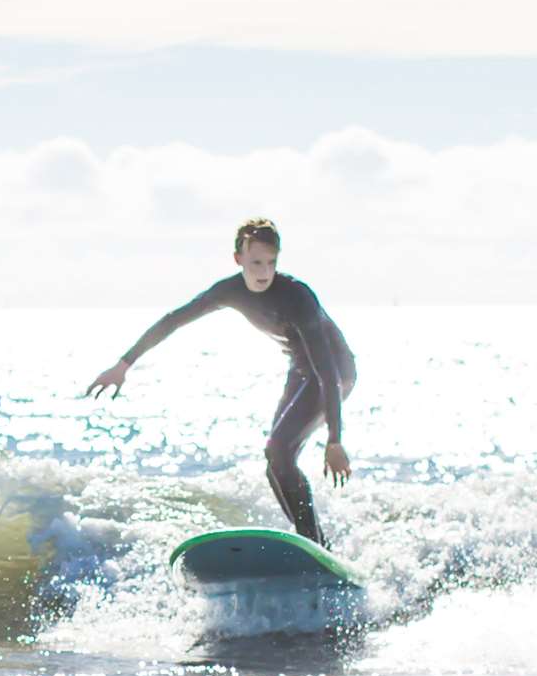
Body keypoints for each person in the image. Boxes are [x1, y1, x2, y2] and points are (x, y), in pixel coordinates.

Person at [87, 218, 355, 546]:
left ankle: (314, 543)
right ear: (238, 259)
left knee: (279, 450)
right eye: (256, 262)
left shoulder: (297, 297)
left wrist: (334, 439)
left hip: (334, 371)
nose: (264, 272)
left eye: (271, 263)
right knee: (275, 461)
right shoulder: (229, 291)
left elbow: (326, 371)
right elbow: (174, 320)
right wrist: (124, 363)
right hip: (300, 371)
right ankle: (311, 544)